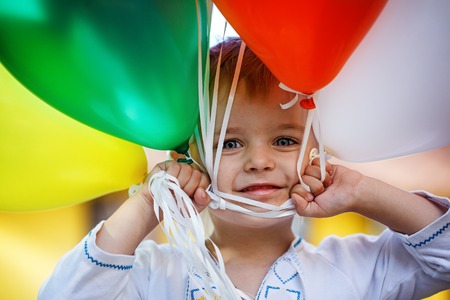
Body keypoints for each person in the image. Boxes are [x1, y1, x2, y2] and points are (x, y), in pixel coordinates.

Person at [38, 37, 450, 300]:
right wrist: (150, 202)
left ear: (316, 153)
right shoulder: (151, 275)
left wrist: (363, 191)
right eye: (230, 143)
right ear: (191, 157)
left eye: (285, 140)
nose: (260, 161)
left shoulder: (357, 268)